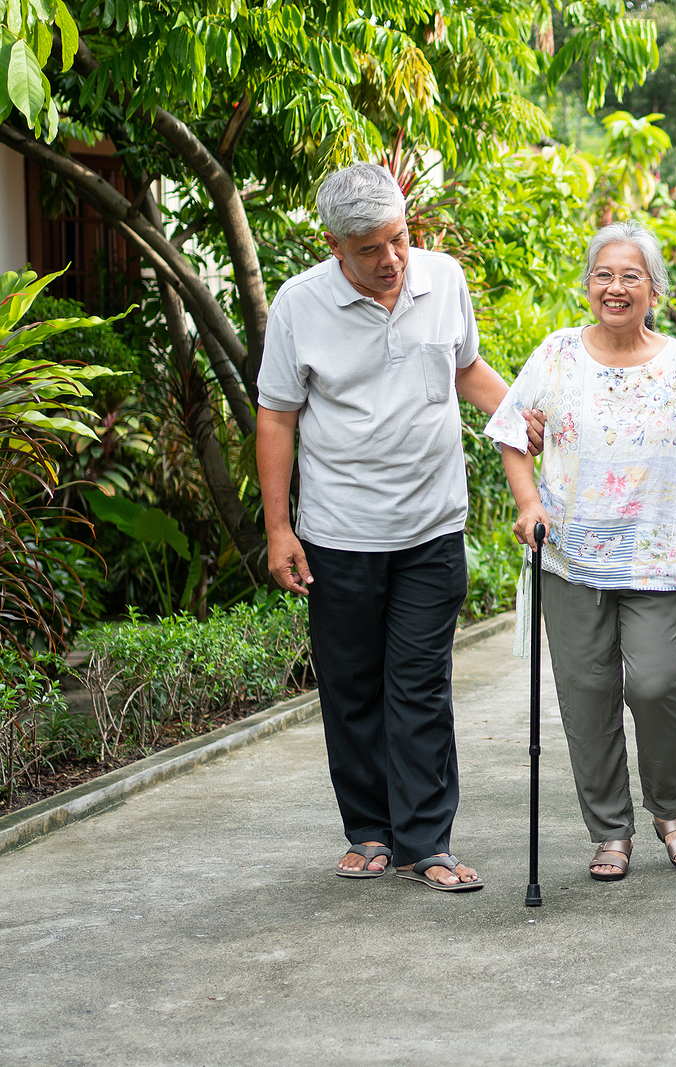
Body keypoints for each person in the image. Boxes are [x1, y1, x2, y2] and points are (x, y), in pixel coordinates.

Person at [256, 163, 511, 892]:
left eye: (399, 239)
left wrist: (528, 413)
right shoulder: (300, 304)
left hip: (432, 525)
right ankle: (369, 829)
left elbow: (467, 370)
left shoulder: (443, 281)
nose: (392, 259)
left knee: (421, 685)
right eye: (370, 248)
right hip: (339, 532)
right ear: (332, 244)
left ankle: (426, 840)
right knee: (353, 686)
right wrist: (280, 527)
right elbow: (277, 416)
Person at [488, 220, 676, 882]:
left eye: (631, 275)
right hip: (571, 558)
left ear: (653, 288)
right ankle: (610, 830)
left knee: (657, 683)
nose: (615, 286)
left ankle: (669, 810)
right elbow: (513, 432)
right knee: (586, 692)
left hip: (659, 559)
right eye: (604, 273)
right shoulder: (556, 354)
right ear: (587, 283)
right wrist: (528, 504)